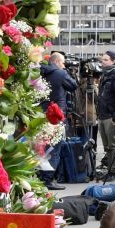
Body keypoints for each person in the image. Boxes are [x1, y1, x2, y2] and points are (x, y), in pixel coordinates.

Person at [39, 52, 78, 190]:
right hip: (56, 115)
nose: (64, 65)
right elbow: (73, 85)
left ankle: (40, 176)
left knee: (41, 147)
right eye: (63, 63)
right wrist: (66, 72)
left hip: (41, 114)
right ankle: (48, 179)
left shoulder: (40, 72)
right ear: (56, 62)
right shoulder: (60, 73)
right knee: (54, 147)